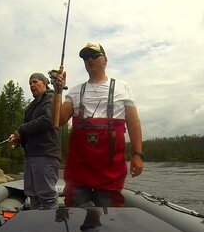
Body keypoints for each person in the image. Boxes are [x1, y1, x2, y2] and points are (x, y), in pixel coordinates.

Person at [51, 42, 144, 207]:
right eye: (86, 57)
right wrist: (57, 91)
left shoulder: (123, 88)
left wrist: (138, 154)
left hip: (110, 174)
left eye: (94, 56)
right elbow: (57, 120)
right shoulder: (74, 91)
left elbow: (134, 123)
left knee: (109, 220)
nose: (90, 60)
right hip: (79, 173)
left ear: (105, 60)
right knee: (75, 217)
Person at [8, 73, 61, 209]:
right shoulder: (31, 106)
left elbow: (48, 119)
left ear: (45, 83)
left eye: (35, 82)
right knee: (33, 196)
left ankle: (50, 228)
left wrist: (21, 129)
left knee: (47, 197)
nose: (32, 85)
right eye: (30, 83)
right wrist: (18, 139)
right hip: (31, 156)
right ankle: (37, 227)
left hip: (45, 154)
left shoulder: (50, 98)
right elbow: (28, 131)